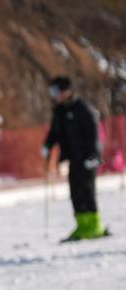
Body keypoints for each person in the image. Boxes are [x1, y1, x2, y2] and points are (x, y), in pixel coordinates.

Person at [42, 75, 107, 241]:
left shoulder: (82, 108)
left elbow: (94, 133)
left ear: (66, 91)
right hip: (73, 158)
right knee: (75, 192)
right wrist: (47, 145)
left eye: (55, 91)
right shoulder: (60, 111)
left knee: (87, 191)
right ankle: (82, 225)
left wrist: (94, 155)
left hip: (87, 158)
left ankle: (95, 226)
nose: (54, 95)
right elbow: (55, 132)